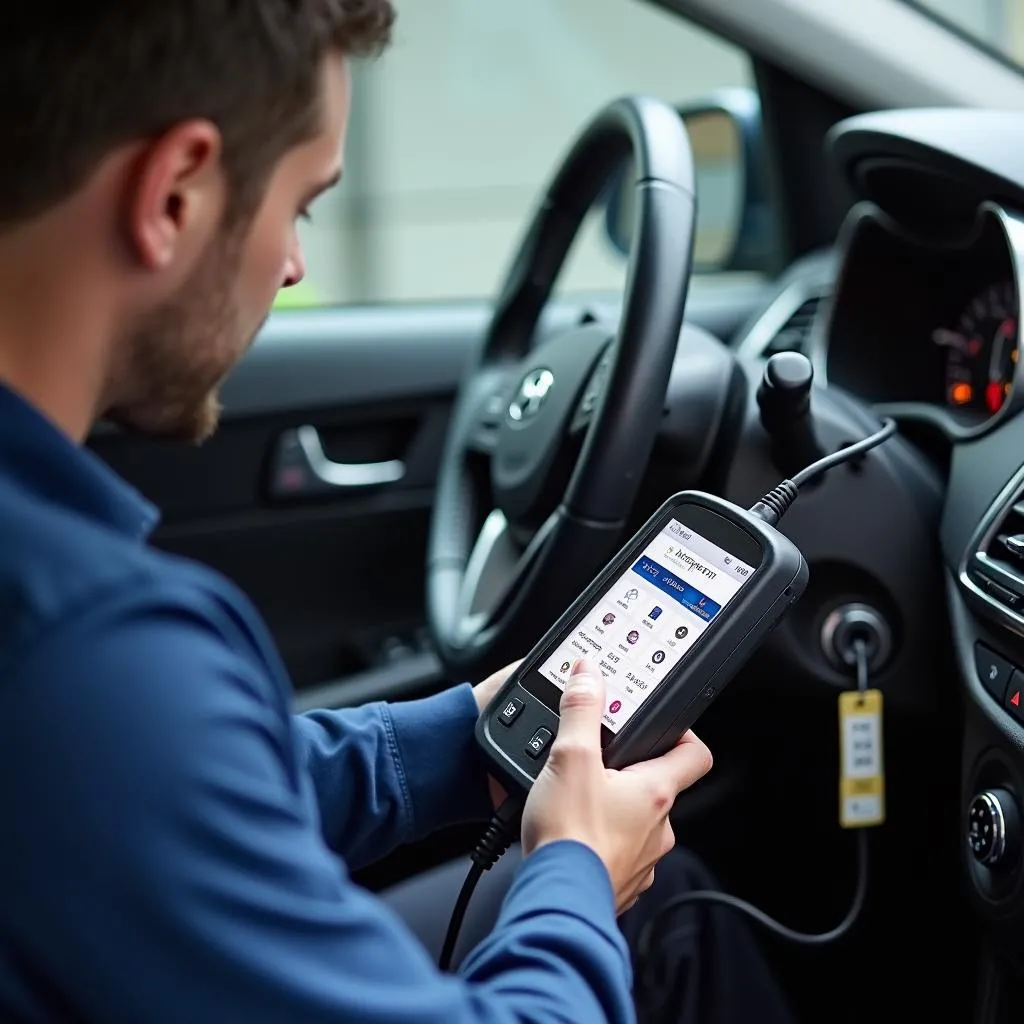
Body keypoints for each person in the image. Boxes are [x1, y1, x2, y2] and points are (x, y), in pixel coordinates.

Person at [0, 4, 797, 1022]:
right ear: (175, 194)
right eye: (302, 204)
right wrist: (578, 869)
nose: (292, 265)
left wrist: (472, 733)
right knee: (664, 918)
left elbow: (177, 787)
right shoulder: (90, 656)